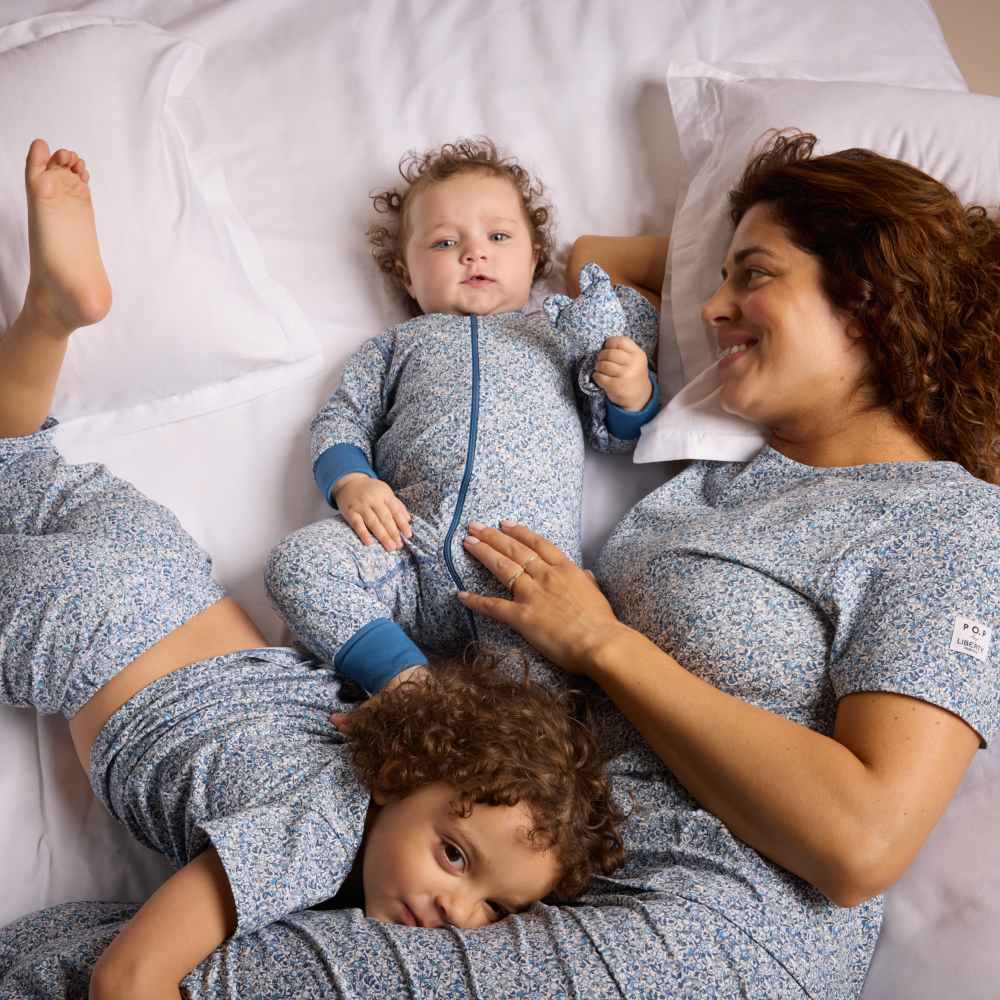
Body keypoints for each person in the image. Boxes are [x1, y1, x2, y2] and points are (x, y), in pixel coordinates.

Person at [5, 130, 999, 1000]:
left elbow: (863, 843)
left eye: (753, 274)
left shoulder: (946, 524)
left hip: (710, 928)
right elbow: (596, 260)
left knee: (148, 977)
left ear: (870, 298)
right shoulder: (726, 480)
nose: (710, 302)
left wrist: (603, 643)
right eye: (720, 272)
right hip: (531, 872)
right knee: (122, 945)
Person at [0, 139, 624, 999]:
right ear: (409, 770)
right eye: (454, 853)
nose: (456, 911)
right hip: (95, 632)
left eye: (495, 910)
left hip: (169, 573)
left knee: (16, 461)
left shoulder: (357, 768)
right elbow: (126, 978)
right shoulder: (318, 841)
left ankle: (52, 314)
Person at [265, 137, 661, 696]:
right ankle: (409, 688)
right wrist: (352, 481)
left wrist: (630, 391)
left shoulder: (557, 334)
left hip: (524, 572)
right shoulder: (395, 346)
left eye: (498, 237)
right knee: (298, 563)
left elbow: (614, 435)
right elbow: (340, 421)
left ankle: (487, 748)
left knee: (542, 707)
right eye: (445, 242)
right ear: (407, 276)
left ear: (533, 259)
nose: (474, 253)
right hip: (404, 549)